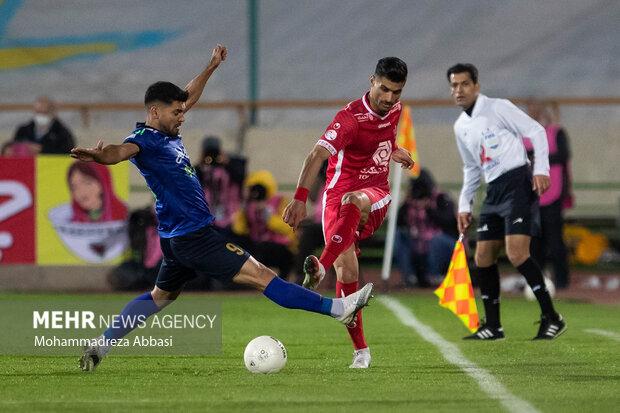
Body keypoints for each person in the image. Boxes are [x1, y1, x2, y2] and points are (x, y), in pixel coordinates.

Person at [70, 44, 373, 372]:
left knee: (160, 297)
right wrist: (99, 156)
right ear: (155, 112)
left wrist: (211, 66)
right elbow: (119, 152)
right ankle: (338, 309)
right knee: (262, 276)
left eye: (183, 112)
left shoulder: (166, 129)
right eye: (176, 113)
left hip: (176, 238)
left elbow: (188, 95)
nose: (182, 117)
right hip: (194, 237)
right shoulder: (144, 140)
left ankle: (101, 344)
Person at [283, 57, 414, 368]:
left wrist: (394, 151)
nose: (389, 98)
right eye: (384, 89)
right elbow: (316, 155)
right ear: (372, 81)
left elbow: (381, 141)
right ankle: (361, 352)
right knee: (348, 274)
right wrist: (300, 199)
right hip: (335, 199)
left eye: (396, 92)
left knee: (354, 200)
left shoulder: (395, 110)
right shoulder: (349, 119)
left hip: (375, 194)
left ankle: (320, 267)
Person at [447, 63, 566, 340]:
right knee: (483, 256)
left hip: (517, 183)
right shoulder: (460, 127)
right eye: (454, 85)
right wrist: (464, 205)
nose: (459, 90)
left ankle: (552, 317)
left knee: (517, 254)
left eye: (464, 84)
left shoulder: (498, 107)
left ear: (476, 86)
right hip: (494, 190)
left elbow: (536, 131)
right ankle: (493, 326)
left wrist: (541, 169)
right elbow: (471, 168)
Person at [524, 100, 573, 290]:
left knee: (555, 239)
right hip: (531, 195)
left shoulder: (556, 133)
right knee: (534, 241)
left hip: (553, 193)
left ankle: (561, 280)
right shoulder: (523, 136)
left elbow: (563, 156)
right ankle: (536, 279)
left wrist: (537, 156)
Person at [394, 168, 458, 288]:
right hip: (418, 244)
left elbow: (450, 223)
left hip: (442, 246)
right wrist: (406, 203)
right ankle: (410, 277)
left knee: (436, 240)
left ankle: (434, 276)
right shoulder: (410, 202)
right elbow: (398, 222)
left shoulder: (441, 198)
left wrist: (429, 209)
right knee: (399, 235)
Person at [231, 170, 297, 280]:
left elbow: (288, 228)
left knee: (265, 250)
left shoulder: (280, 201)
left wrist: (268, 217)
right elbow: (239, 230)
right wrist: (242, 211)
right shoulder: (248, 206)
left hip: (280, 246)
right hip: (257, 244)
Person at [193, 135, 243, 231]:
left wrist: (228, 162)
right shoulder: (200, 170)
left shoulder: (229, 168)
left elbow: (240, 177)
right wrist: (200, 164)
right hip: (207, 218)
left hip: (229, 218)